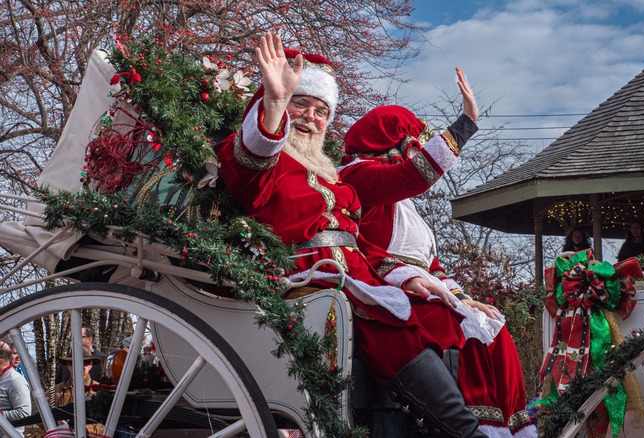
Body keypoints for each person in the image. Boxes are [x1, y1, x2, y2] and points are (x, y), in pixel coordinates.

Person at [215, 32, 486, 436]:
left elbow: (356, 242)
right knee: (390, 325)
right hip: (304, 277)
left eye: (321, 110)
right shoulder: (265, 162)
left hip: (353, 273)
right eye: (300, 104)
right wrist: (274, 103)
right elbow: (249, 164)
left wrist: (412, 276)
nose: (310, 117)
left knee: (425, 319)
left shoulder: (332, 174)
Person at [340, 103, 536, 437]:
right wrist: (464, 127)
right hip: (384, 286)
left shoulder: (404, 205)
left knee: (490, 323)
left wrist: (462, 296)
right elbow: (412, 178)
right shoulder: (357, 175)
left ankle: (503, 429)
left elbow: (430, 262)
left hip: (423, 287)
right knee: (455, 327)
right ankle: (469, 429)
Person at [48, 347, 104, 435]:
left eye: (84, 362)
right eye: (72, 362)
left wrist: (83, 429)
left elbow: (107, 424)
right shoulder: (55, 391)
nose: (79, 366)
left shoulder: (101, 391)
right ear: (68, 365)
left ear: (91, 365)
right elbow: (40, 414)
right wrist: (57, 423)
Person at [0, 338, 31, 437]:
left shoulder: (16, 380)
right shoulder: (3, 378)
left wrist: (1, 415)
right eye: (14, 353)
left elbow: (24, 412)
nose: (18, 357)